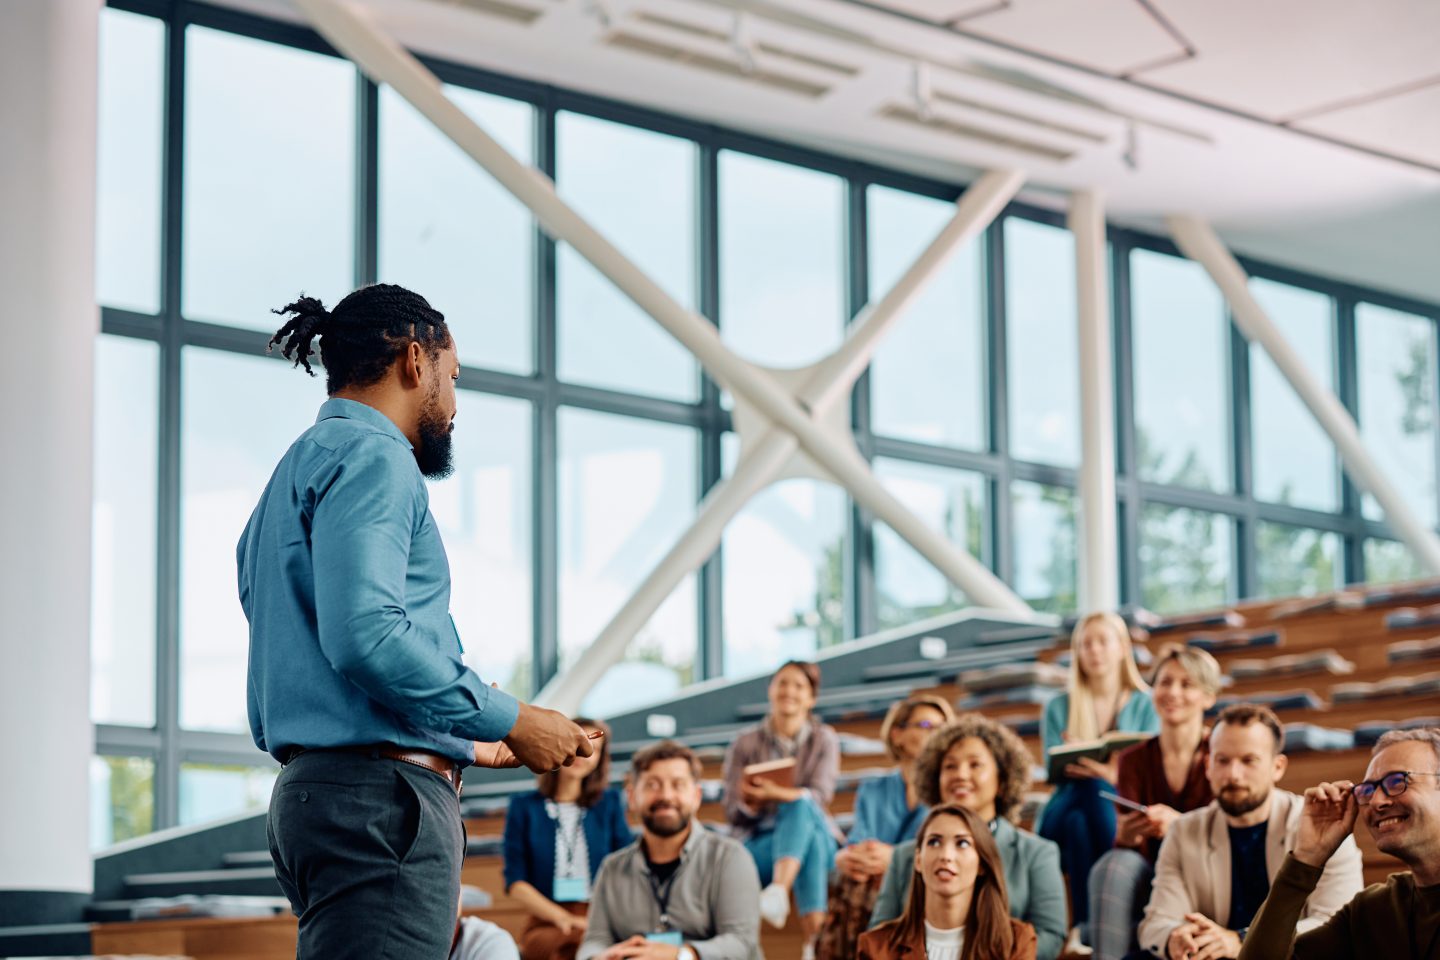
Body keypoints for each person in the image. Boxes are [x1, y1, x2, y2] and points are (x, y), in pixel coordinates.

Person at [238, 284, 595, 957]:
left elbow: (318, 651)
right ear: (414, 361)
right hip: (382, 807)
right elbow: (365, 636)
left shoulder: (289, 476)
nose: (454, 404)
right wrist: (510, 717)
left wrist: (461, 734)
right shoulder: (377, 458)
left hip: (322, 796)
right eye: (452, 377)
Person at [1138, 704, 1363, 960]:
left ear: (1277, 767)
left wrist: (1241, 941)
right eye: (1222, 761)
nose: (1233, 775)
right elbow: (1156, 923)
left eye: (1249, 761)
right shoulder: (1183, 830)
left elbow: (1336, 925)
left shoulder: (1323, 824)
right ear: (1208, 766)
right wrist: (1176, 937)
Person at [870, 714, 1067, 960]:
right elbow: (881, 935)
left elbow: (1050, 936)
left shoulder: (1037, 853)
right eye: (950, 766)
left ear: (1002, 780)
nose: (960, 775)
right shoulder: (905, 855)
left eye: (975, 765)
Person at [1233, 727, 1440, 959]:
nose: (1377, 801)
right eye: (1368, 790)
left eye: (1397, 781)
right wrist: (1306, 859)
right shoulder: (1372, 910)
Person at [1089, 646, 1221, 960]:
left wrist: (1180, 825)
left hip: (1209, 865)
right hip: (1151, 870)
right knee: (1111, 866)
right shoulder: (1133, 760)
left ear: (1208, 697)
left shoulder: (1221, 754)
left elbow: (1229, 829)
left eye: (1186, 684)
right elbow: (1129, 846)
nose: (1172, 692)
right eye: (1164, 682)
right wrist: (1125, 836)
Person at [578, 740, 762, 960]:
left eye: (678, 784)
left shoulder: (730, 857)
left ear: (696, 796)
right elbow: (594, 940)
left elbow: (741, 942)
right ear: (632, 797)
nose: (666, 796)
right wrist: (601, 957)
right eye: (653, 785)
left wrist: (681, 955)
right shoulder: (612, 868)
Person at [1036, 612, 1159, 938]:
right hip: (1061, 808)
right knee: (1088, 789)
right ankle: (1120, 909)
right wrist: (1099, 773)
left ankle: (1084, 928)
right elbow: (1054, 772)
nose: (1094, 650)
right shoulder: (1058, 707)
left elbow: (1152, 770)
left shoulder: (1148, 704)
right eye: (1085, 644)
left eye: (1102, 641)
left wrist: (1111, 773)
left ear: (1122, 647)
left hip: (1112, 810)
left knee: (1081, 824)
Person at [819, 694, 956, 960]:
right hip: (870, 880)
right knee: (854, 874)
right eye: (927, 726)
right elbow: (859, 841)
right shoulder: (873, 788)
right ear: (898, 734)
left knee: (869, 882)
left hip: (925, 878)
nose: (937, 735)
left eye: (943, 728)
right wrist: (850, 856)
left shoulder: (950, 789)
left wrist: (894, 857)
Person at [722, 660, 841, 950]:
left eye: (799, 686)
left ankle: (779, 890)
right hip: (762, 842)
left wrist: (776, 793)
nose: (789, 691)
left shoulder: (824, 739)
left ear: (811, 698)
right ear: (771, 690)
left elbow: (820, 795)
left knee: (801, 807)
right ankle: (816, 944)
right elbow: (731, 810)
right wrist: (751, 802)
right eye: (782, 683)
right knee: (807, 837)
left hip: (821, 838)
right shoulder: (745, 743)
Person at [504, 717, 633, 960]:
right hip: (547, 920)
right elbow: (515, 883)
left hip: (601, 915)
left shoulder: (610, 804)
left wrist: (597, 920)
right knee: (565, 947)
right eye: (576, 742)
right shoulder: (523, 807)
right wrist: (563, 918)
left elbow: (626, 866)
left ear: (601, 759)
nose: (583, 754)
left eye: (593, 747)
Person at [858, 804, 1038, 960]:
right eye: (934, 842)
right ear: (918, 860)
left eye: (962, 843)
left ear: (981, 864)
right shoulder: (876, 946)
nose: (946, 856)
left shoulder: (1016, 941)